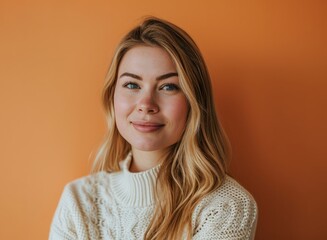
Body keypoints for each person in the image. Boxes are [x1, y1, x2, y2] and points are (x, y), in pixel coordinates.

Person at [49, 17, 258, 240]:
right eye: (132, 85)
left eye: (168, 86)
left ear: (193, 101)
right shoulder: (78, 200)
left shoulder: (227, 206)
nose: (146, 104)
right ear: (112, 96)